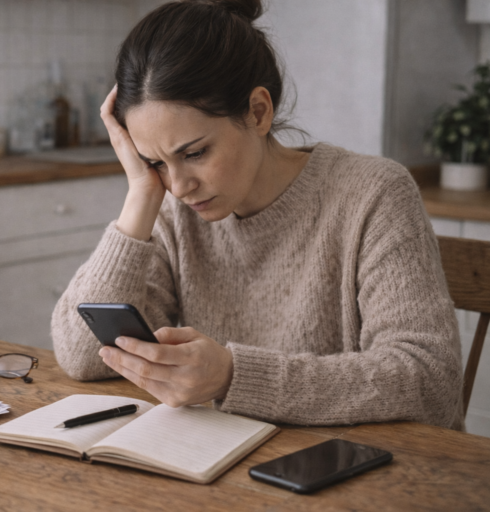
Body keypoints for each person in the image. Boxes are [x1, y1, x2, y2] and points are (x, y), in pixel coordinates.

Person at [51, 0, 464, 430]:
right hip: (229, 470)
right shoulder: (173, 206)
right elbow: (81, 356)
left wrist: (233, 376)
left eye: (194, 153)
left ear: (258, 112)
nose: (178, 184)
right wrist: (139, 196)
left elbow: (430, 381)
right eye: (154, 162)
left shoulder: (373, 194)